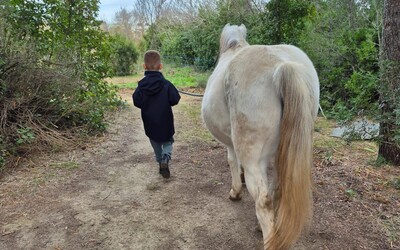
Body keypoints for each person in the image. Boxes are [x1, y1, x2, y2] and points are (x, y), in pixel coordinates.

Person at [133, 50, 181, 178]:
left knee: (155, 141)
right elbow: (175, 99)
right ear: (161, 66)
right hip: (165, 120)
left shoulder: (141, 87)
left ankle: (160, 161)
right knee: (168, 141)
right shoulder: (166, 84)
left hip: (150, 122)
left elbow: (136, 101)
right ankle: (166, 157)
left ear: (144, 66)